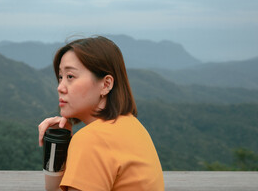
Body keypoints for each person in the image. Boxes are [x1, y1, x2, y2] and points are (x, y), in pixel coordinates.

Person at [38, 36, 164, 191]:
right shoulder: (131, 125)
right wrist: (57, 146)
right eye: (60, 77)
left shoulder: (92, 140)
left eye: (70, 76)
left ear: (106, 84)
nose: (60, 87)